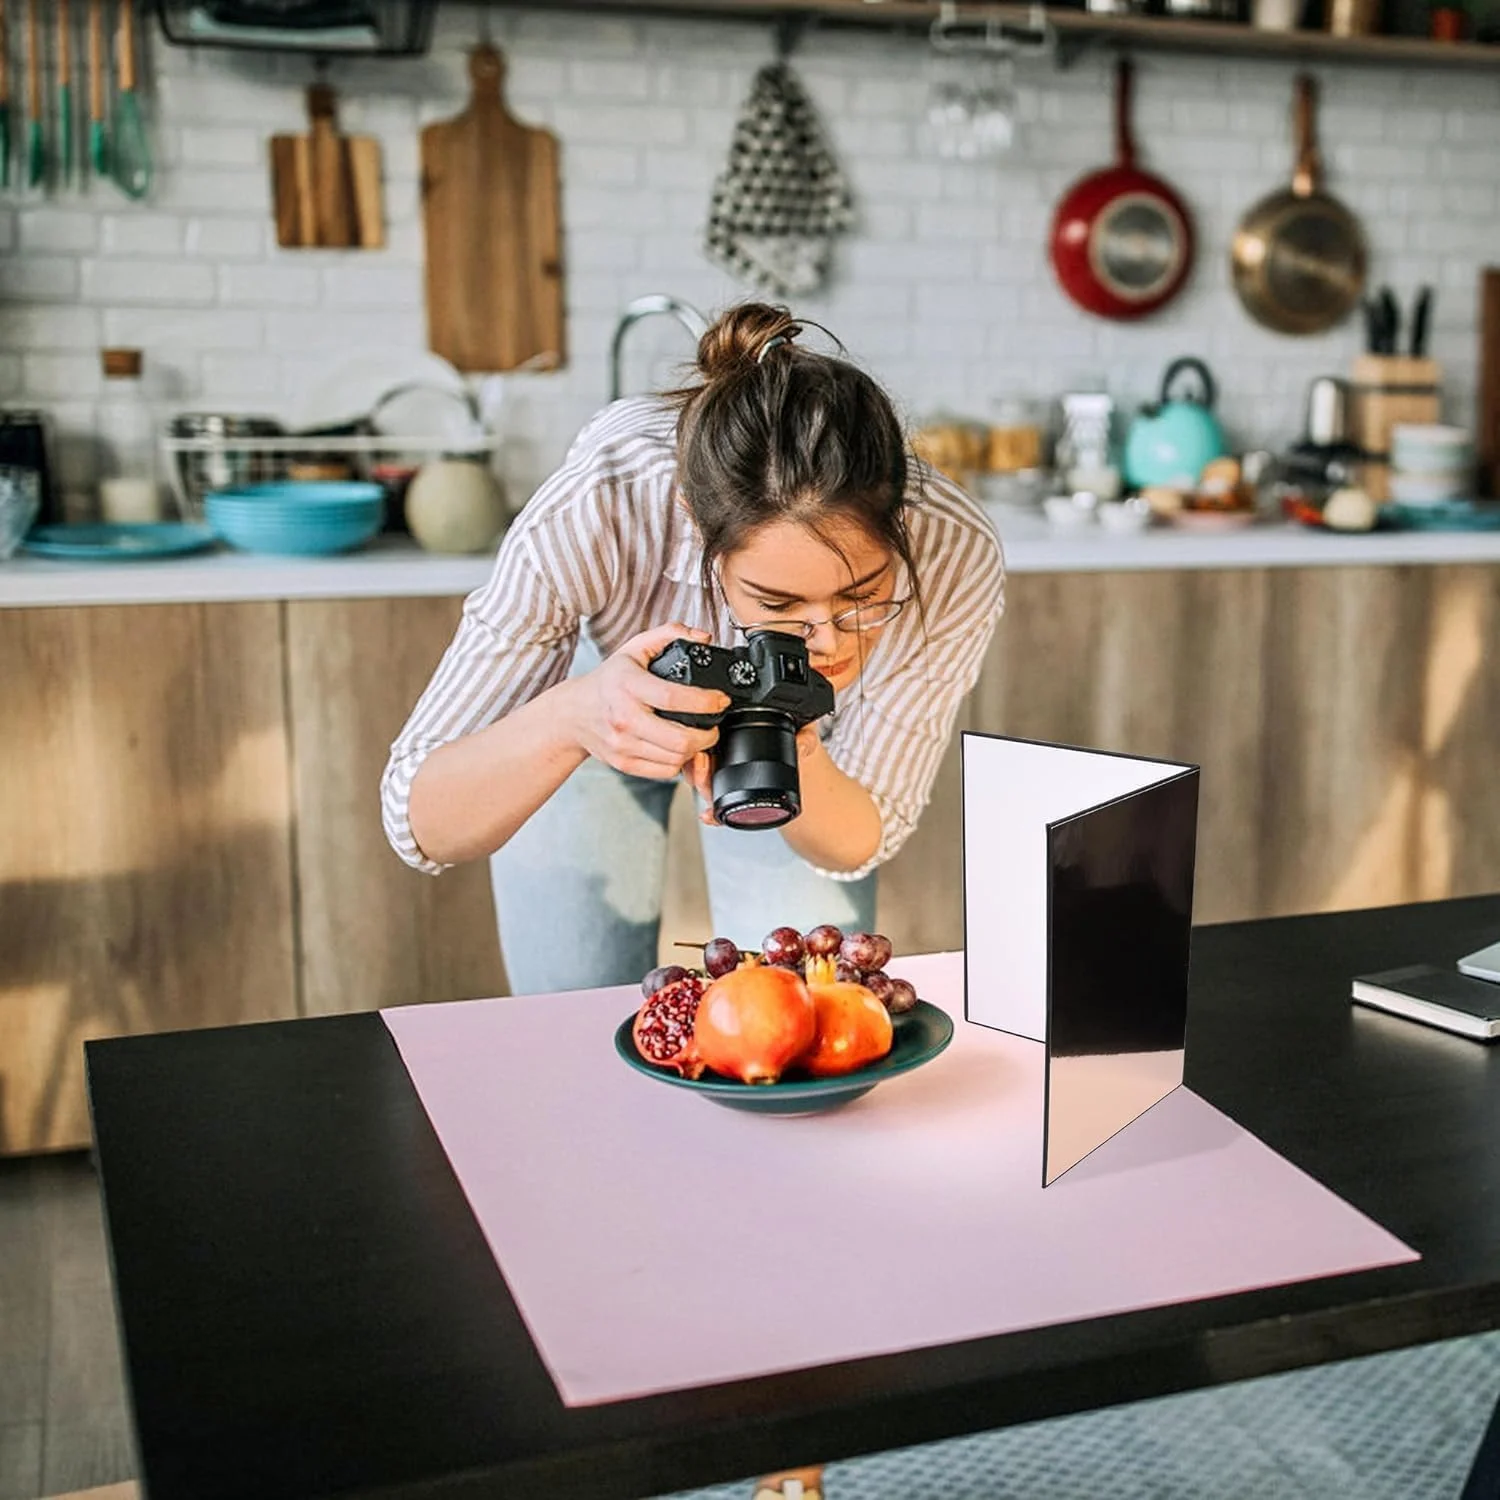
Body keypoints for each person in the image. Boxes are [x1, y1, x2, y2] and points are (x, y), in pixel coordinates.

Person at [381, 302, 1005, 998]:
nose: (827, 642)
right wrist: (576, 716)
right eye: (777, 604)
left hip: (799, 740)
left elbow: (863, 834)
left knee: (800, 1002)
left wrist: (798, 745)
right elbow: (422, 821)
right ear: (692, 522)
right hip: (602, 686)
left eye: (862, 595)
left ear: (902, 527)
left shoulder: (953, 550)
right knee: (574, 1002)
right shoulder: (608, 494)